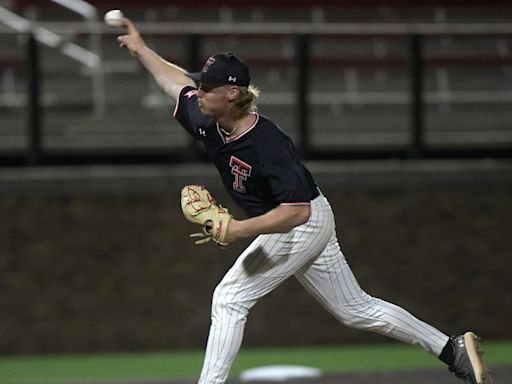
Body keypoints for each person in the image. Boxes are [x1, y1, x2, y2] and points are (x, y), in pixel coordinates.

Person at [116, 19, 493, 384]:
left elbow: (298, 211)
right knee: (355, 308)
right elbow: (175, 83)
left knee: (229, 298)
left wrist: (238, 230)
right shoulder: (207, 118)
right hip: (301, 217)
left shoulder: (268, 144)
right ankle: (452, 349)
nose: (199, 92)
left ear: (232, 94)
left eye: (208, 87)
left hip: (300, 221)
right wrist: (142, 49)